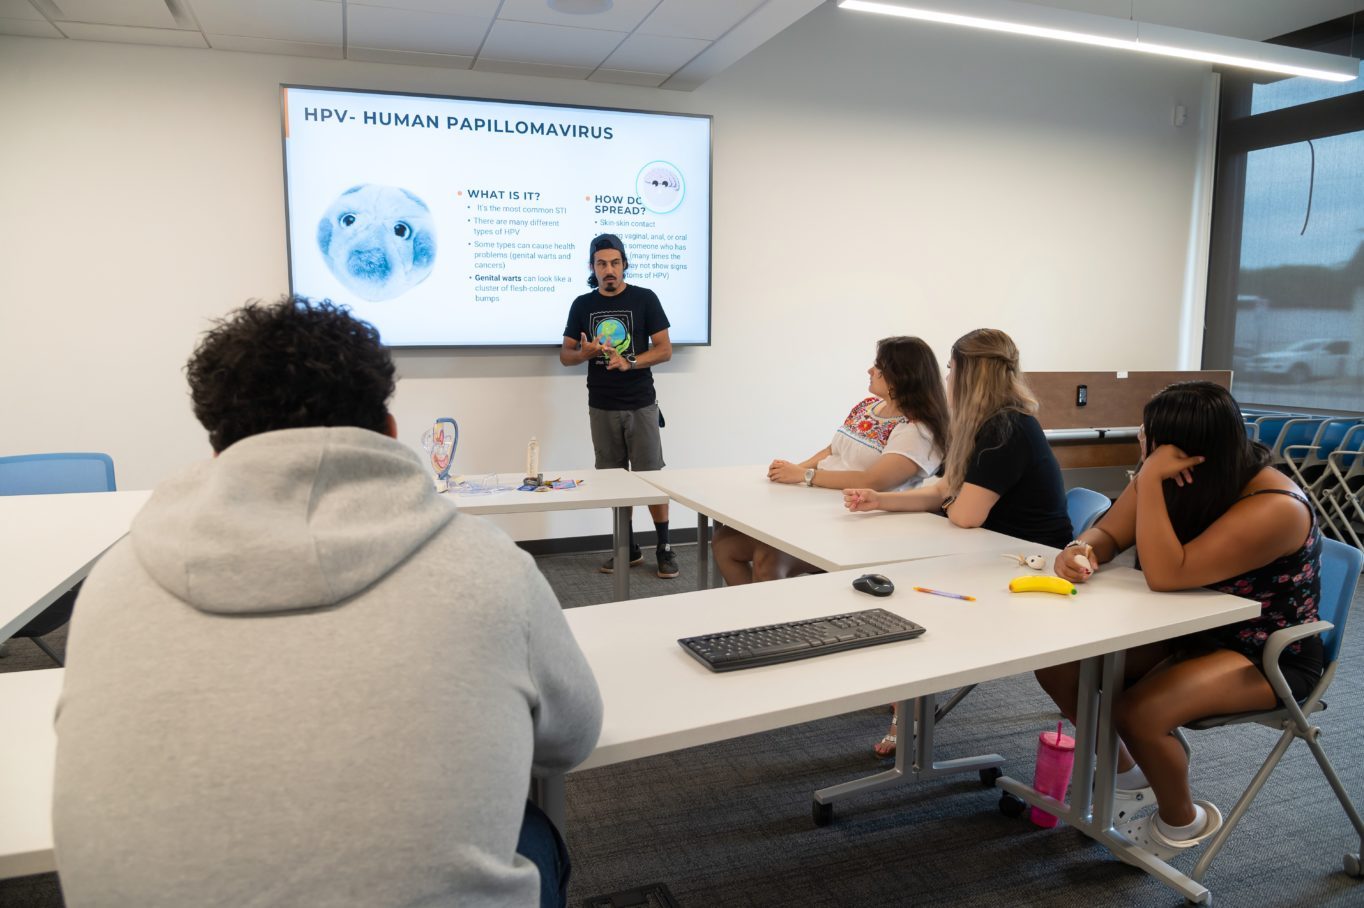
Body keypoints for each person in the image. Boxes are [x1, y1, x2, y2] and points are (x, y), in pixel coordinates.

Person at [53, 298, 603, 908]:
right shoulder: (489, 568)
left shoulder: (114, 580)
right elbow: (570, 741)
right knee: (531, 830)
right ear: (390, 431)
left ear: (217, 449)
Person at [1034, 381, 1322, 860]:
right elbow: (1109, 531)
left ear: (1179, 449)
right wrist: (1082, 551)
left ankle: (1180, 820)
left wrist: (1148, 480)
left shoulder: (1275, 506)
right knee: (1061, 666)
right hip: (1188, 630)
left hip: (1266, 651)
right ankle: (1131, 781)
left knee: (1140, 713)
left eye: (1148, 436)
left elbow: (1168, 575)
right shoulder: (1174, 476)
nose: (1140, 442)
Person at [843, 328, 1070, 756]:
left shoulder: (1008, 428)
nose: (946, 379)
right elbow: (943, 489)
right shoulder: (978, 425)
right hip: (991, 550)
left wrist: (946, 496)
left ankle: (909, 706)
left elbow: (965, 513)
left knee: (911, 596)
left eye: (951, 370)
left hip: (1028, 562)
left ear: (970, 376)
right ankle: (907, 698)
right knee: (896, 582)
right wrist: (882, 501)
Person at [713, 336, 948, 586]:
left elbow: (873, 481)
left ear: (901, 375)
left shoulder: (917, 430)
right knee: (725, 543)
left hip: (867, 523)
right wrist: (797, 468)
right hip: (824, 507)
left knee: (768, 559)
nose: (870, 371)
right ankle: (755, 619)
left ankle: (777, 623)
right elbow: (833, 449)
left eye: (878, 367)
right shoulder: (868, 406)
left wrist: (805, 476)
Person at [560, 233, 677, 579]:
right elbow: (566, 356)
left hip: (640, 403)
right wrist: (586, 353)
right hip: (601, 405)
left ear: (624, 264)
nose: (608, 270)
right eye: (601, 264)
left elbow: (664, 349)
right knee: (614, 480)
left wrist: (630, 362)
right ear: (592, 268)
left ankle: (664, 547)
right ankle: (628, 548)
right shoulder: (582, 305)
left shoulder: (645, 299)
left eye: (614, 263)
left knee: (650, 478)